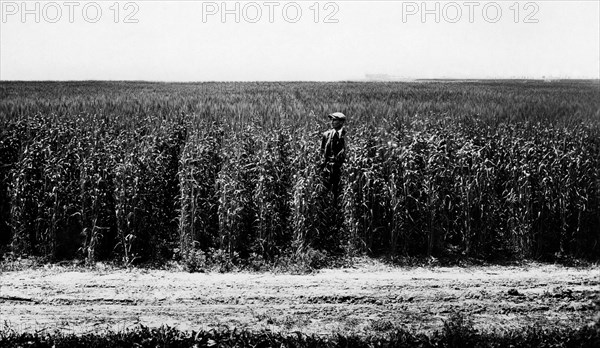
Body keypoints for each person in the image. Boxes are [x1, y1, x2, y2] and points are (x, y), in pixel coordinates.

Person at [320, 112, 347, 199]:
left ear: (341, 122)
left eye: (334, 120)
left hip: (340, 169)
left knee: (339, 193)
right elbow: (322, 151)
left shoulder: (345, 135)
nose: (332, 122)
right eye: (331, 120)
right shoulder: (326, 135)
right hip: (328, 168)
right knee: (325, 192)